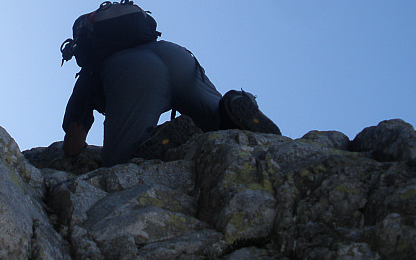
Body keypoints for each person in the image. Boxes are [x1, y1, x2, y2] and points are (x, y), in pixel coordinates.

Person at [62, 39, 280, 167]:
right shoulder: (147, 40)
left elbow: (73, 145)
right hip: (177, 56)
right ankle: (239, 101)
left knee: (118, 164)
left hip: (132, 72)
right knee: (221, 119)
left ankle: (161, 140)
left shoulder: (91, 71)